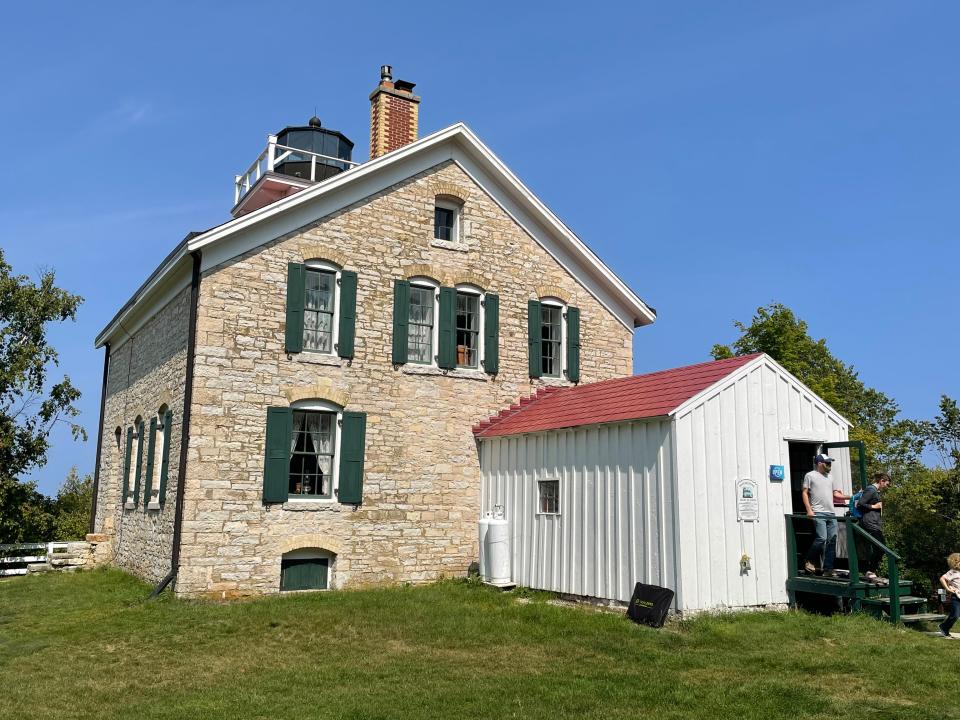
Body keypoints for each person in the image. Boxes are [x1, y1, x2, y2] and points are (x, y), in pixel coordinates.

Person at [802, 453, 848, 578]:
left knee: (832, 540)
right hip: (818, 512)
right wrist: (809, 510)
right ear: (819, 463)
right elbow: (805, 493)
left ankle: (828, 568)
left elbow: (836, 495)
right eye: (827, 463)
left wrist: (852, 497)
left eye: (830, 463)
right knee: (822, 538)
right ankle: (809, 560)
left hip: (831, 513)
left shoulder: (830, 477)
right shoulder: (810, 475)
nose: (830, 465)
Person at [856, 472, 892, 581]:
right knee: (881, 548)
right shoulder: (871, 490)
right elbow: (860, 504)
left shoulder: (875, 491)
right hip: (869, 523)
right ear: (881, 481)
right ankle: (870, 571)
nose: (887, 486)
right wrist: (874, 506)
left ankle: (870, 570)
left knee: (880, 548)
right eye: (887, 484)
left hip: (874, 524)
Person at [937, 553, 960, 638]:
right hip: (956, 597)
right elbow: (942, 578)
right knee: (955, 615)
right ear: (956, 562)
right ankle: (944, 627)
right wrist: (947, 589)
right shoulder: (952, 572)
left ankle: (944, 628)